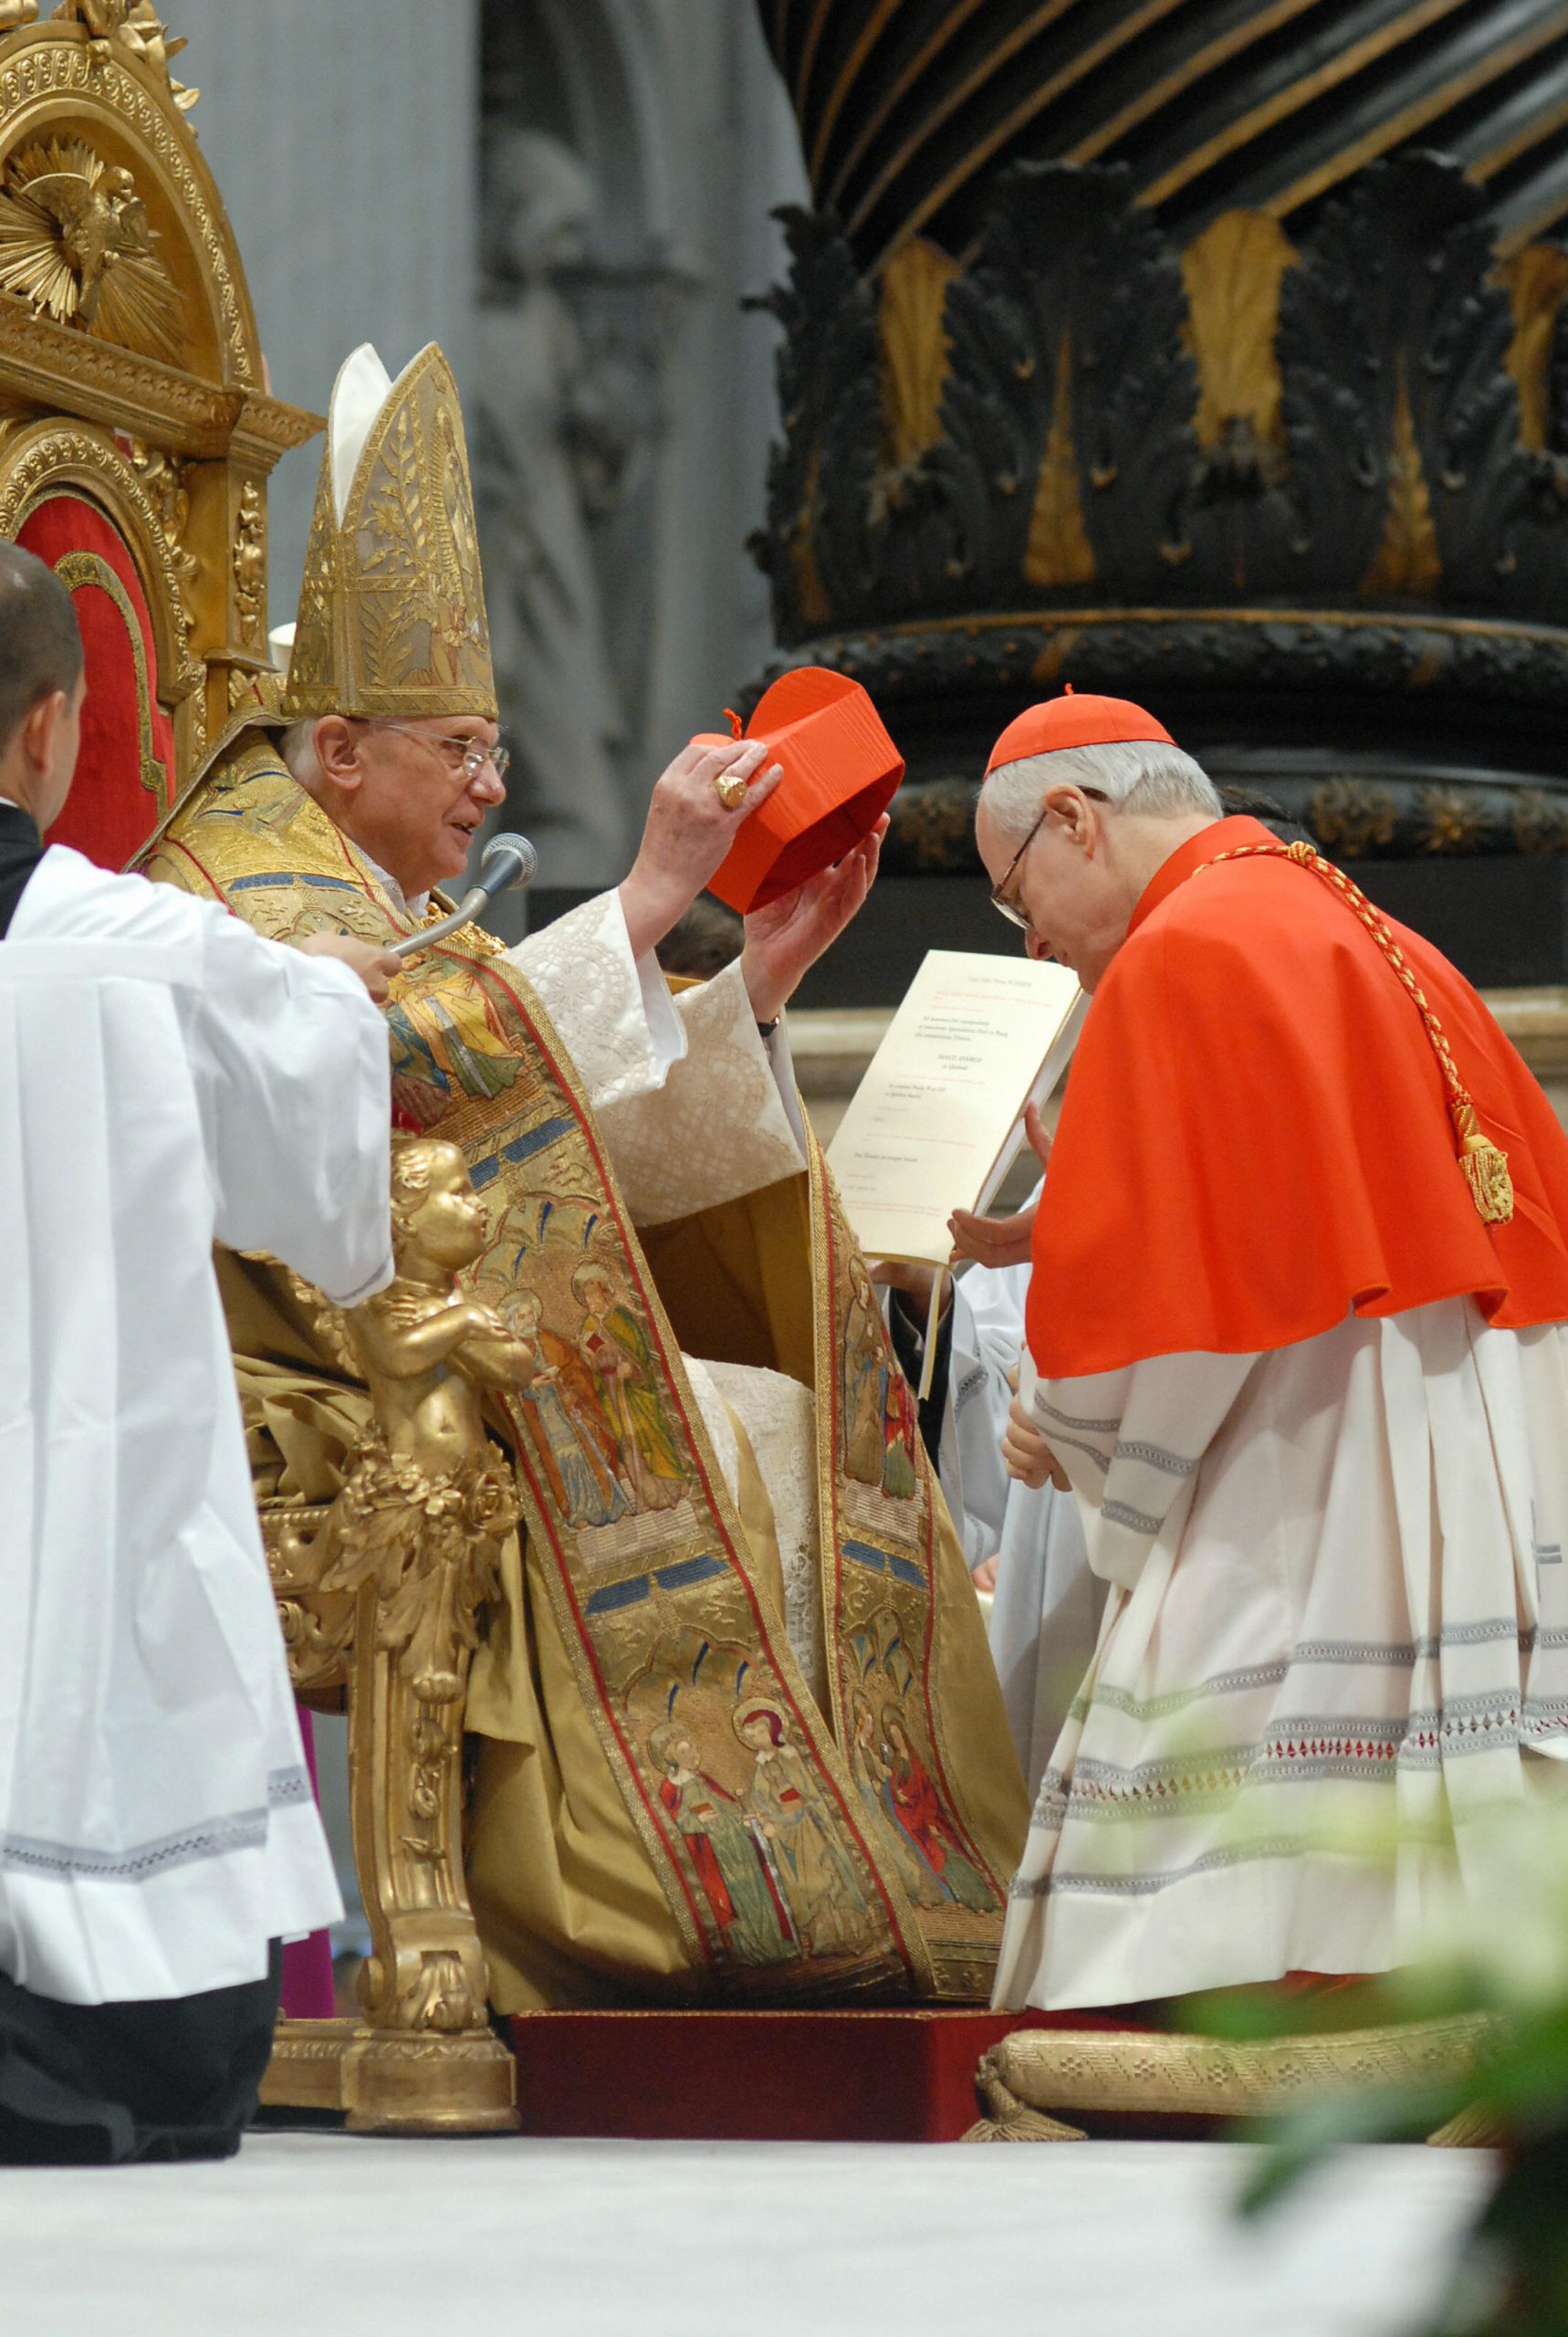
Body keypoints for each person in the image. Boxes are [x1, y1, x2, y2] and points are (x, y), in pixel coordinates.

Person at [142, 341, 1028, 2012]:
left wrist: (754, 976)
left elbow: (546, 1121)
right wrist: (644, 896)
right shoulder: (231, 886)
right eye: (460, 748)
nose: (491, 784)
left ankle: (836, 1879)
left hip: (413, 1310)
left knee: (782, 1408)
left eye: (493, 750)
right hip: (290, 1362)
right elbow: (411, 1072)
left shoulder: (386, 896)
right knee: (710, 1429)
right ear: (339, 750)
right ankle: (641, 1915)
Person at [974, 689, 1568, 2015]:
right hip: (1430, 1416)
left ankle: (1238, 2027)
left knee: (1212, 1805)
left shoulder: (1184, 949)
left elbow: (1191, 1315)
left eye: (1016, 899)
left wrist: (1057, 1420)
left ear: (1073, 820)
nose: (1035, 943)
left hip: (1307, 1454)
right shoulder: (1357, 921)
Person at [0, 543, 400, 2161]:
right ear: (50, 729)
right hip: (77, 1495)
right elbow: (330, 1208)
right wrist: (335, 996)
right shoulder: (151, 951)